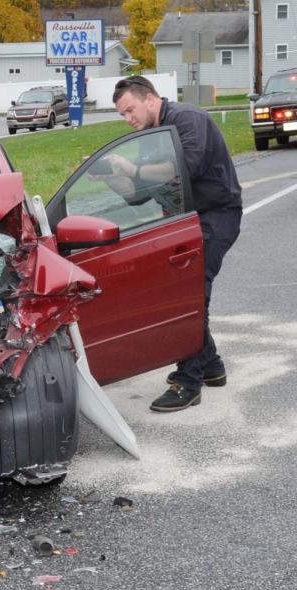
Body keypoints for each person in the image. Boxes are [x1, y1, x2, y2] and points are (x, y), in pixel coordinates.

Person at [109, 75, 243, 412]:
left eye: (130, 110)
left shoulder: (187, 118)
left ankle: (189, 382)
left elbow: (185, 167)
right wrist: (110, 177)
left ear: (150, 98)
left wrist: (136, 171)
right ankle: (211, 367)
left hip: (217, 215)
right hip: (187, 220)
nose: (128, 119)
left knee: (191, 294)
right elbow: (138, 197)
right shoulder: (151, 136)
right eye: (122, 115)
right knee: (188, 292)